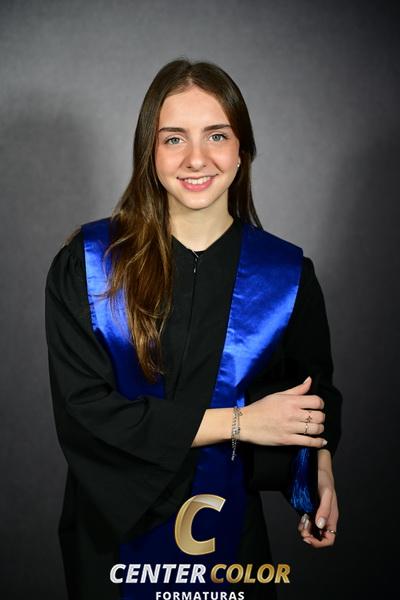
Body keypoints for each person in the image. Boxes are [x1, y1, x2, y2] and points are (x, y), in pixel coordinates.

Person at [45, 58, 342, 600]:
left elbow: (312, 393)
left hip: (231, 542)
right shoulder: (89, 265)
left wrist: (316, 472)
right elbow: (85, 412)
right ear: (149, 151)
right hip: (114, 547)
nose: (197, 158)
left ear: (242, 149)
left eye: (217, 135)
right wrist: (240, 423)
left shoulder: (285, 276)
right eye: (174, 138)